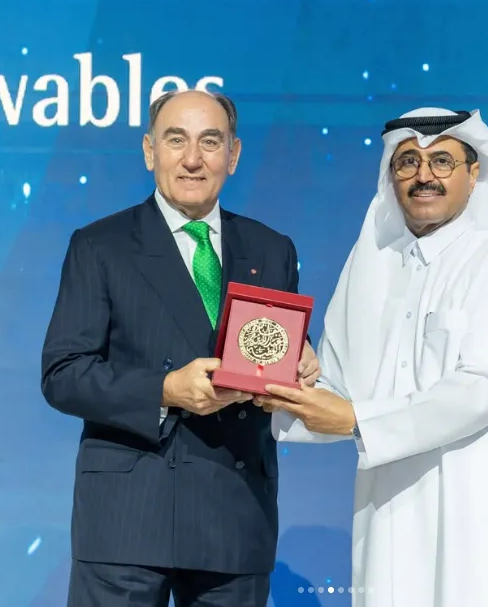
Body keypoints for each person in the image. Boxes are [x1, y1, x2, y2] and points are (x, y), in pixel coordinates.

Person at [257, 108, 488, 607]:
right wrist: (282, 384)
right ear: (391, 175)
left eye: (442, 161)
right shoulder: (370, 270)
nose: (424, 175)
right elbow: (336, 386)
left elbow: (484, 386)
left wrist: (358, 421)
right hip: (390, 509)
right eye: (407, 162)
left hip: (478, 508)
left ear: (473, 173)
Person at [41, 89, 320, 607]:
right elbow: (64, 374)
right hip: (129, 518)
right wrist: (166, 389)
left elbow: (273, 347)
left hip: (236, 514)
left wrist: (300, 362)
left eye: (210, 142)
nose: (193, 159)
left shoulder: (271, 249)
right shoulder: (100, 245)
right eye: (176, 140)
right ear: (150, 151)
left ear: (233, 155)